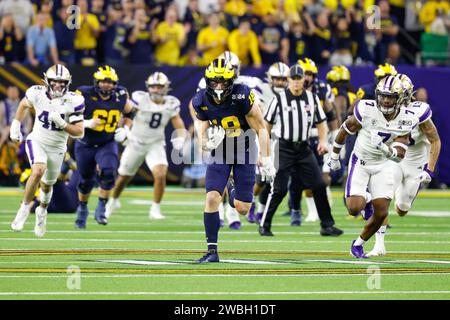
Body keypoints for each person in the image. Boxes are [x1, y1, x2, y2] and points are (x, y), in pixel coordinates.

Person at [327, 75, 420, 258]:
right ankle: (367, 198)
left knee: (381, 213)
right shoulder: (366, 109)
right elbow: (345, 130)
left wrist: (385, 149)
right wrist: (335, 156)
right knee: (354, 208)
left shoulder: (408, 119)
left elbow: (399, 154)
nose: (386, 100)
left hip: (384, 164)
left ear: (400, 98)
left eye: (391, 97)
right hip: (360, 161)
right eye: (383, 95)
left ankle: (359, 243)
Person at [191, 58, 274, 263]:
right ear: (208, 82)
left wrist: (267, 158)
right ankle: (212, 251)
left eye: (223, 82)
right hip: (220, 151)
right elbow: (200, 128)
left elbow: (261, 127)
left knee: (243, 208)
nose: (219, 86)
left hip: (245, 150)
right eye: (215, 82)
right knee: (212, 198)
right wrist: (205, 143)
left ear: (231, 81)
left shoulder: (242, 94)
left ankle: (231, 185)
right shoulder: (200, 100)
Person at [260, 64, 343, 237]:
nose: (297, 82)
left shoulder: (311, 98)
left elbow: (321, 122)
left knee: (319, 185)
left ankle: (327, 225)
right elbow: (266, 125)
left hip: (304, 148)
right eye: (294, 79)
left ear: (303, 79)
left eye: (299, 79)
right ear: (289, 80)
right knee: (280, 189)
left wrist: (322, 141)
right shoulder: (279, 99)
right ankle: (264, 224)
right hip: (284, 147)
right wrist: (264, 151)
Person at [367, 74, 441, 256]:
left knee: (401, 209)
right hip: (394, 160)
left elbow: (435, 140)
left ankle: (404, 196)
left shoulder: (420, 111)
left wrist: (429, 170)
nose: (388, 100)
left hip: (415, 162)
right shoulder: (384, 109)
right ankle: (379, 245)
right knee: (382, 198)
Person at [10, 64, 85, 237]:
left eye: (62, 82)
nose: (58, 86)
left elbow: (79, 132)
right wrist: (16, 124)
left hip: (57, 147)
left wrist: (62, 123)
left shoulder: (74, 100)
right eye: (54, 82)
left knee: (47, 184)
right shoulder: (36, 92)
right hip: (37, 140)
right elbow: (23, 104)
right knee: (37, 170)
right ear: (47, 81)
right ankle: (24, 208)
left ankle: (42, 212)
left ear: (67, 83)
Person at [105, 72, 186, 220]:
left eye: (159, 86)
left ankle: (155, 209)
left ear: (166, 87)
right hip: (135, 142)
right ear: (148, 87)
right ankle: (113, 200)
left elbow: (178, 121)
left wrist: (181, 137)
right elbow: (127, 114)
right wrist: (125, 129)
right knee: (123, 177)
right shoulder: (139, 98)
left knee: (160, 175)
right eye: (153, 87)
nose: (156, 90)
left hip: (155, 143)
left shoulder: (171, 103)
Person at [74, 65, 135, 229]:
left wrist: (126, 129)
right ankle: (82, 208)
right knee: (86, 180)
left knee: (108, 172)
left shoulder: (121, 95)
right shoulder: (83, 94)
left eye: (110, 82)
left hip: (106, 143)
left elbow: (130, 112)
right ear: (96, 82)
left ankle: (101, 206)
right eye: (104, 81)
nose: (107, 85)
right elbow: (69, 116)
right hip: (84, 143)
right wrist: (87, 123)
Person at [251, 62, 290, 224]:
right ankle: (251, 203)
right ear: (270, 78)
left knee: (273, 178)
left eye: (283, 79)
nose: (280, 82)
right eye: (277, 79)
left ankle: (261, 211)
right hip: (262, 135)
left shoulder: (292, 93)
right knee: (261, 178)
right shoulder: (260, 90)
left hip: (280, 139)